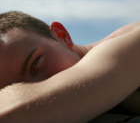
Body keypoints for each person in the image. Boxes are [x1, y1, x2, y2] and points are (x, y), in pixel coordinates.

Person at [0, 11, 140, 123]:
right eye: (16, 85)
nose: (38, 88)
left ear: (62, 35)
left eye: (35, 62)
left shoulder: (133, 39)